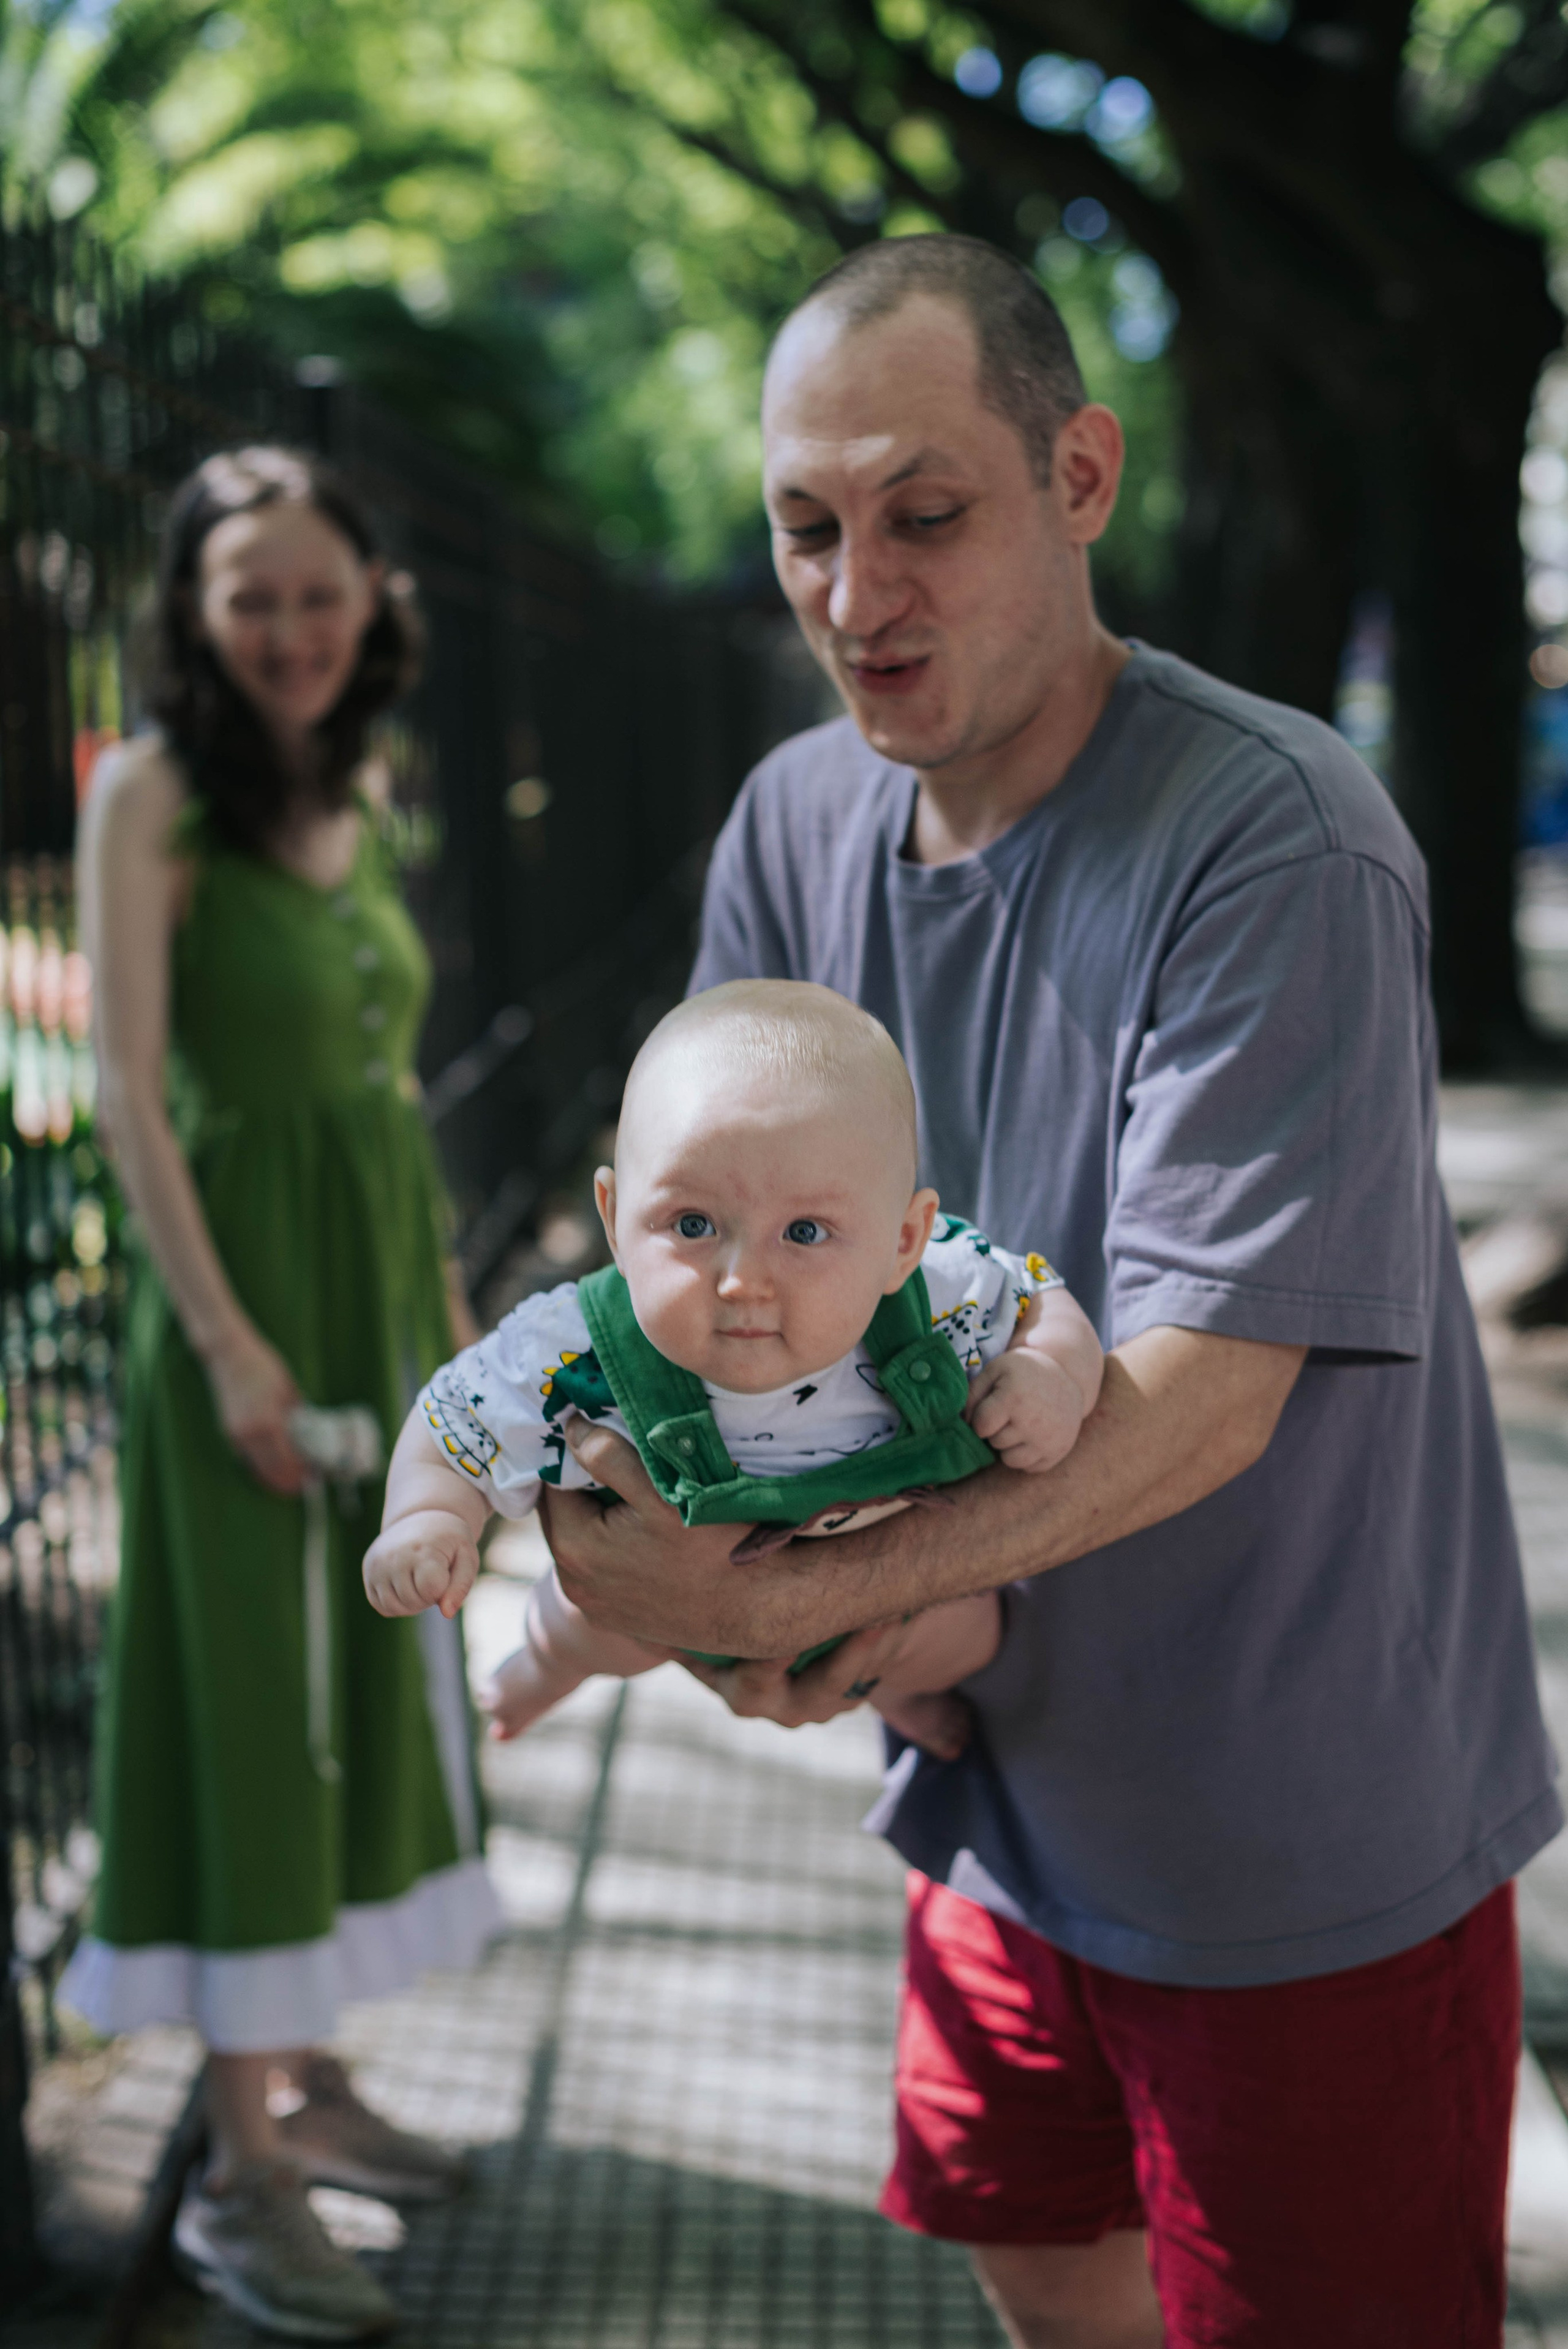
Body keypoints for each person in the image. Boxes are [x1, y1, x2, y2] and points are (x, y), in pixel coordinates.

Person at [533, 236, 1561, 2348]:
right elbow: (711, 1281)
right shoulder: (791, 826)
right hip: (986, 1786)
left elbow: (1207, 1389)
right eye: (808, 527)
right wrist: (707, 1565)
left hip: (1295, 1834)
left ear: (1080, 475)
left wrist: (757, 1600)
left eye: (928, 513)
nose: (856, 593)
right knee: (1045, 2283)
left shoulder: (1273, 832)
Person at [62, 448, 501, 2342]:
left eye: (319, 592)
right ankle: (239, 2171)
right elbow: (132, 1096)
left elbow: (382, 1085)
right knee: (252, 1701)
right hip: (243, 1306)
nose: (290, 631)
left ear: (373, 596)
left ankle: (311, 2086)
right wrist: (233, 1347)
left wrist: (456, 1316)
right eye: (251, 598)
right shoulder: (152, 794)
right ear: (191, 612)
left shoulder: (352, 779)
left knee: (369, 1685)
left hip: (375, 1287)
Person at [361, 979, 1103, 1761]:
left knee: (970, 1631)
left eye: (806, 1232)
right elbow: (455, 1422)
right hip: (659, 1601)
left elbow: (1041, 1301)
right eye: (693, 1225)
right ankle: (545, 1669)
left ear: (902, 1242)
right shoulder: (576, 1346)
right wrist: (429, 1518)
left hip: (884, 1583)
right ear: (613, 1221)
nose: (743, 1279)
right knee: (588, 1625)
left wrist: (1053, 1370)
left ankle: (892, 1691)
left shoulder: (946, 1292)